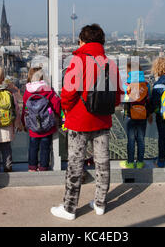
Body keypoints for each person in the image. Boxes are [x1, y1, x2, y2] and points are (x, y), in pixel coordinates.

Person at [50, 24, 123, 220]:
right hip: (103, 121)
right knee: (102, 163)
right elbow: (117, 97)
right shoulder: (110, 63)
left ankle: (69, 208)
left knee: (75, 163)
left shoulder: (78, 60)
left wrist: (67, 109)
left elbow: (68, 93)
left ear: (82, 41)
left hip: (79, 121)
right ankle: (100, 204)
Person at [21, 67, 61, 172]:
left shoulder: (27, 92)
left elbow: (24, 108)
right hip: (47, 125)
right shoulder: (48, 90)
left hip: (33, 126)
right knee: (45, 148)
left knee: (33, 148)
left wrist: (23, 122)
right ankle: (43, 167)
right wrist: (57, 115)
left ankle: (32, 167)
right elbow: (56, 104)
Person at [120, 60, 153, 169]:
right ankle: (140, 162)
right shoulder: (146, 84)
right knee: (141, 139)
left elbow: (125, 100)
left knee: (131, 140)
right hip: (143, 115)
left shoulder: (127, 85)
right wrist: (149, 115)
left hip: (130, 115)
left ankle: (129, 162)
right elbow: (149, 101)